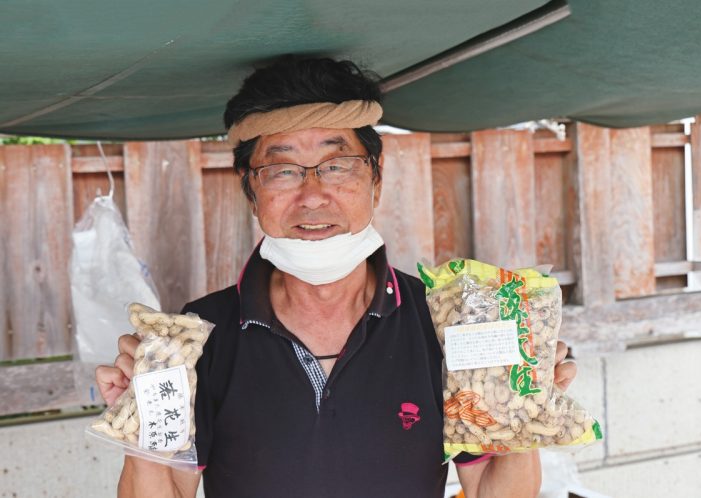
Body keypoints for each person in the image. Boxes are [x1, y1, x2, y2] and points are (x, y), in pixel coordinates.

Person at [95, 57, 577, 498]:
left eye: (337, 165)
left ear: (376, 179)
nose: (313, 195)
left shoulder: (446, 320)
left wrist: (522, 404)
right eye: (282, 170)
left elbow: (496, 491)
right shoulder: (200, 333)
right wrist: (145, 424)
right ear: (251, 191)